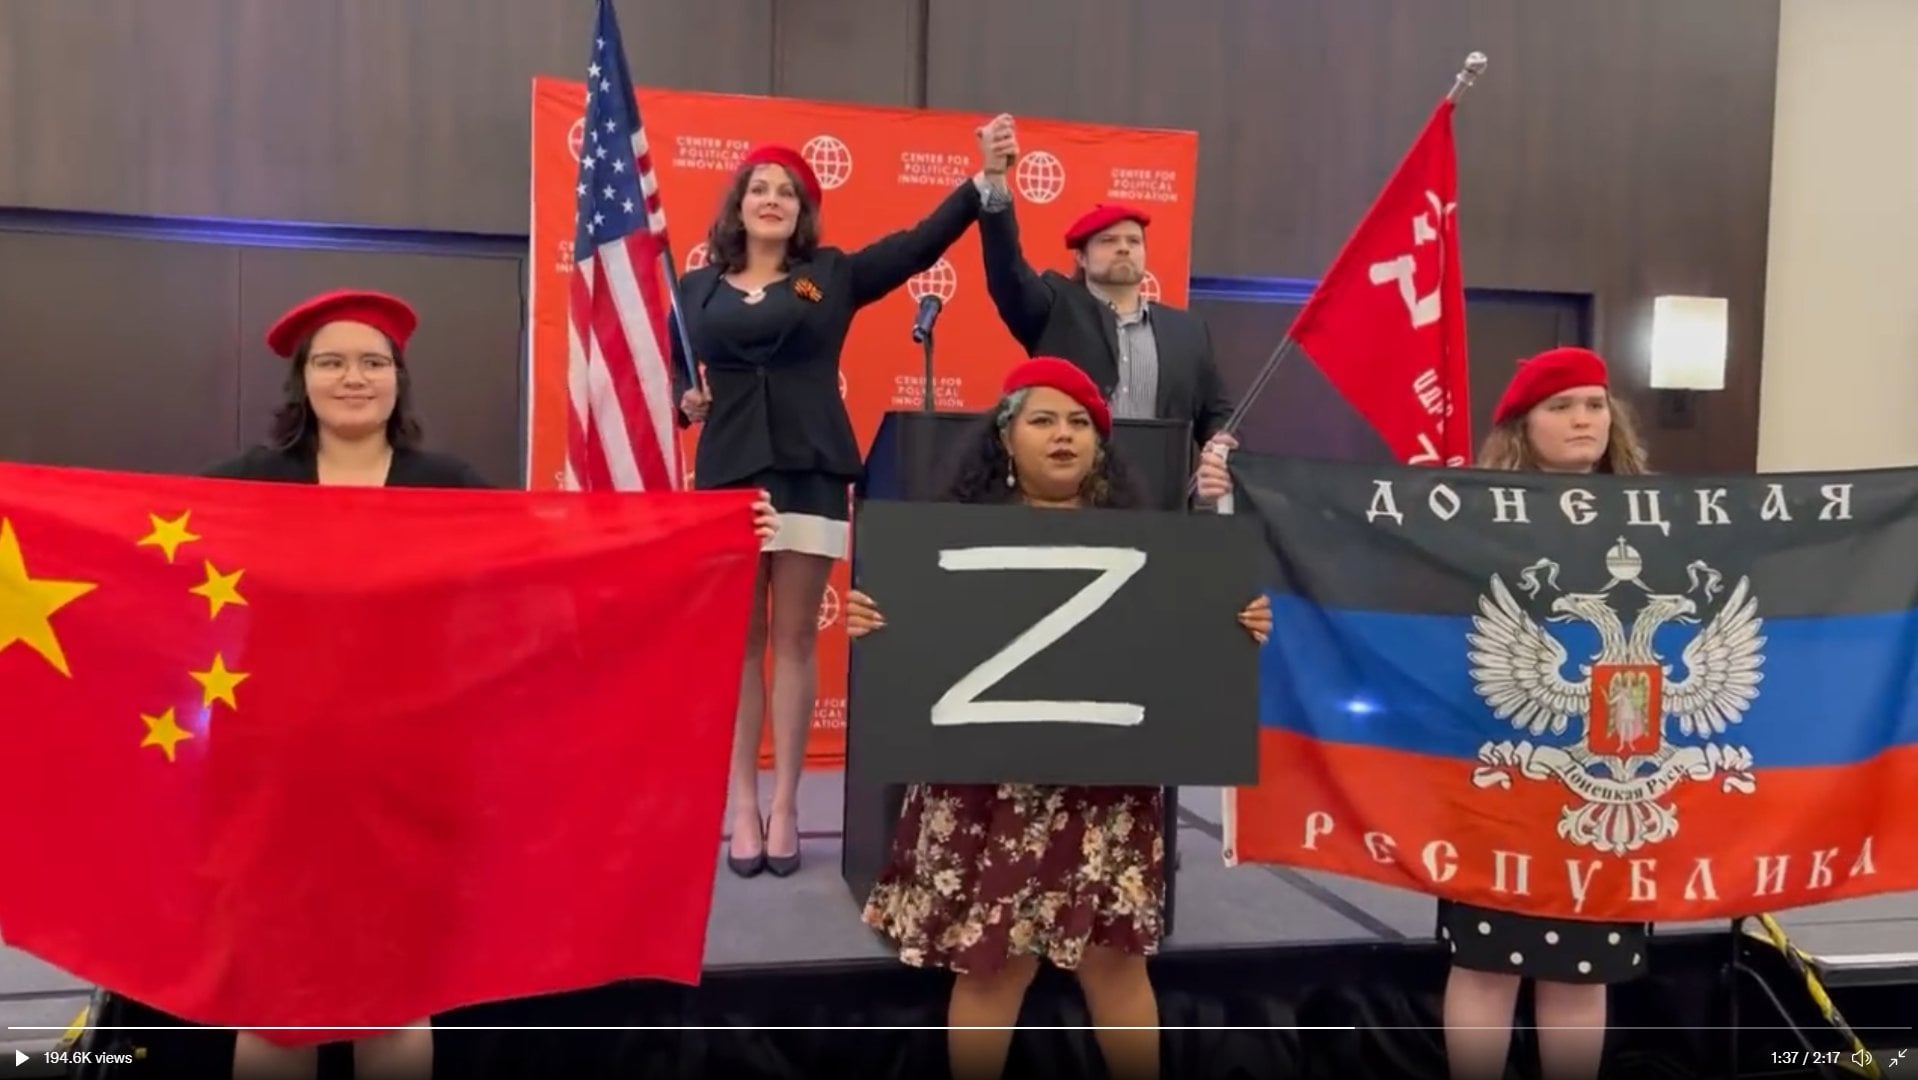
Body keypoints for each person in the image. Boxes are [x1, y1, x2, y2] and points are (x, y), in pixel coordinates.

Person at [195, 289, 776, 1079]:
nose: (353, 378)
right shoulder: (246, 485)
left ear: (398, 379)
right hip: (279, 775)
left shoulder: (447, 485)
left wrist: (715, 540)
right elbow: (140, 547)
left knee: (398, 996)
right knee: (274, 1004)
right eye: (331, 362)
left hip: (409, 775)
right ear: (303, 380)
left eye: (372, 362)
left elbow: (564, 562)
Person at [851, 357, 1273, 1080]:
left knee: (1116, 966)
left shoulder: (1150, 546)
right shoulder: (949, 540)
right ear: (1005, 437)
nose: (1064, 435)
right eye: (1043, 420)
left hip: (1104, 790)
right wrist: (873, 622)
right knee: (993, 968)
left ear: (1099, 446)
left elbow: (1178, 651)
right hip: (987, 790)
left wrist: (1237, 627)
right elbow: (922, 650)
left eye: (1080, 423)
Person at [671, 135, 1010, 879]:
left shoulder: (831, 275)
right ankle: (741, 805)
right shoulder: (692, 290)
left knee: (794, 640)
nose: (772, 200)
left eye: (787, 192)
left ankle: (787, 804)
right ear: (738, 205)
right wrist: (684, 400)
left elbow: (918, 245)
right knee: (738, 646)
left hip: (811, 471)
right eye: (760, 188)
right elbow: (671, 373)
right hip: (727, 476)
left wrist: (980, 182)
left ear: (803, 211)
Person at [1438, 345, 1649, 1080]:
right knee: (1486, 960)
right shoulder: (1471, 517)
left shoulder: (1661, 520)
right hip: (1503, 764)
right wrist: (1230, 487)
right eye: (1561, 407)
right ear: (1523, 426)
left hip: (1611, 773)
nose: (1583, 419)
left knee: (1583, 967)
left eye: (1594, 404)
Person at [970, 115, 1237, 491]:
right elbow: (1007, 272)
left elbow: (1215, 412)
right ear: (1081, 257)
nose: (1124, 247)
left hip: (1161, 496)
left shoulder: (1188, 330)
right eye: (1108, 241)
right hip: (1072, 495)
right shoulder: (1055, 306)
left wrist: (1220, 448)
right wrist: (996, 181)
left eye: (1134, 241)